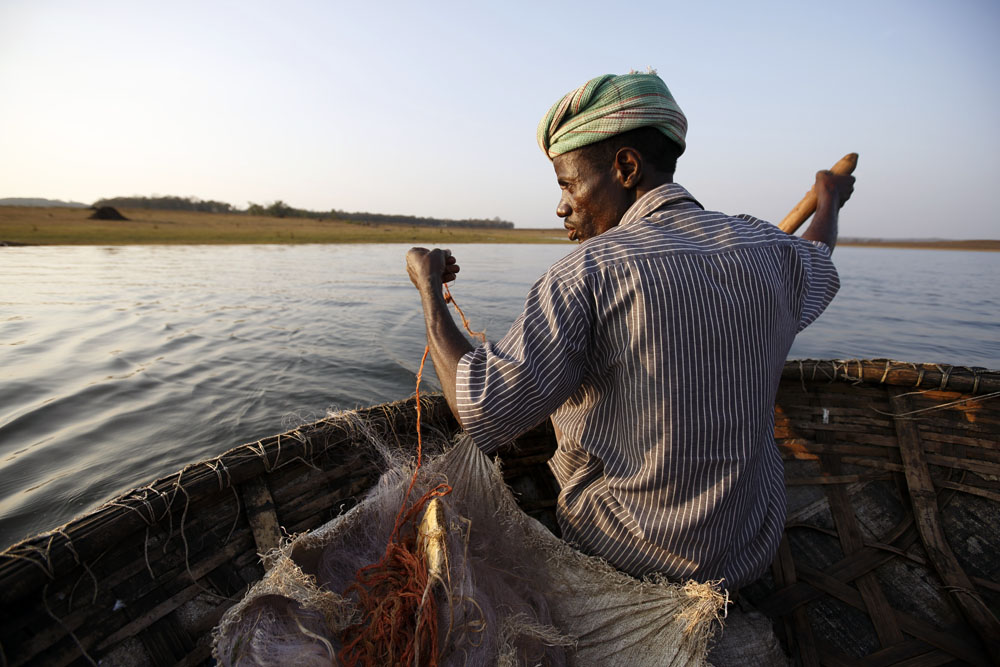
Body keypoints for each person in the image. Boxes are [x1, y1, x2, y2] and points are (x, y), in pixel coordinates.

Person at [406, 72, 853, 593]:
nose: (561, 207)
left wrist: (429, 287)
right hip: (748, 550)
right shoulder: (768, 250)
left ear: (625, 167)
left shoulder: (585, 274)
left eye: (569, 184)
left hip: (626, 553)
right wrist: (829, 200)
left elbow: (481, 410)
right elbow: (819, 255)